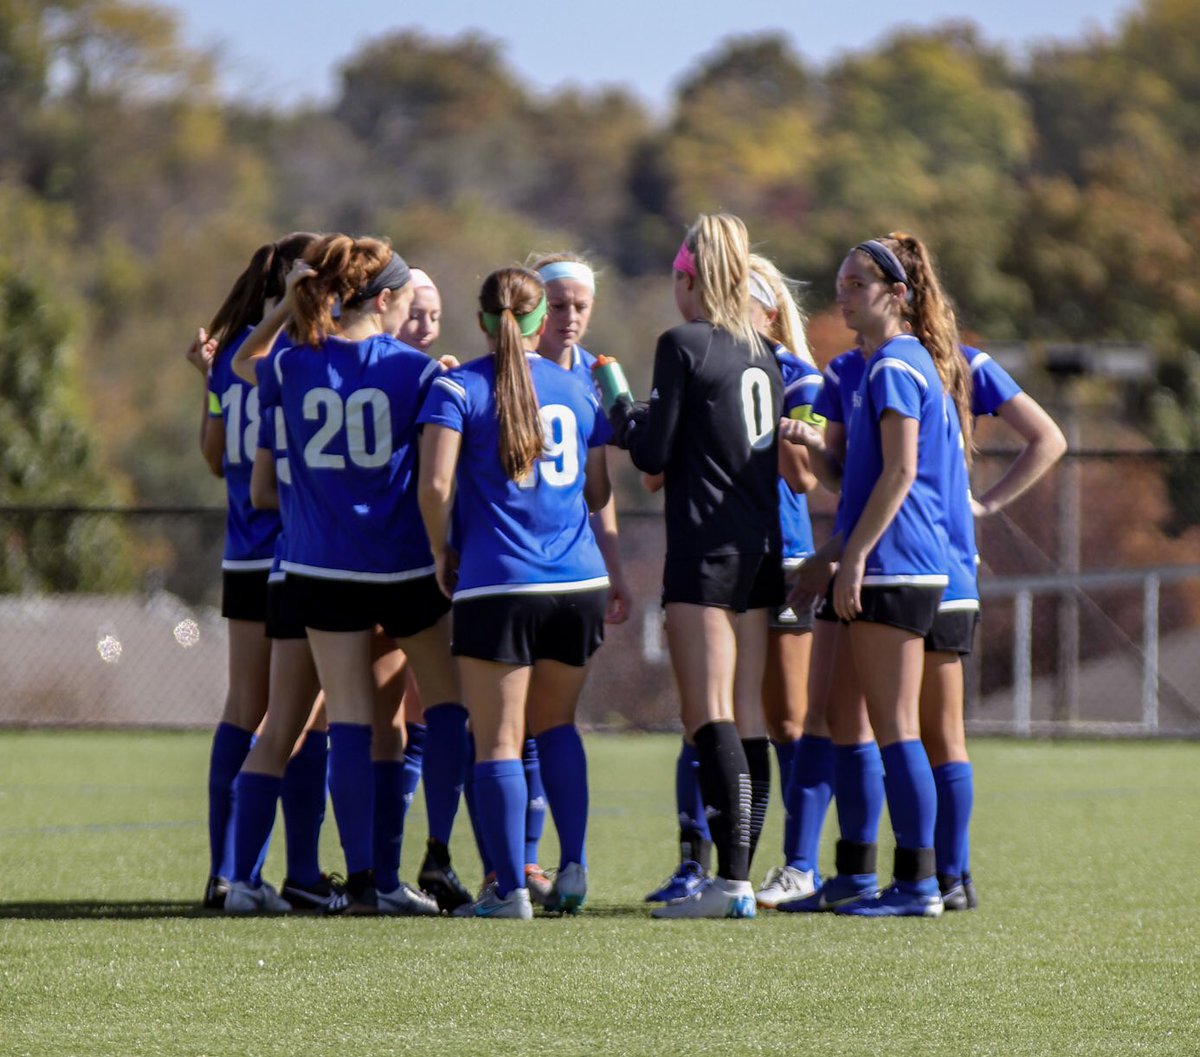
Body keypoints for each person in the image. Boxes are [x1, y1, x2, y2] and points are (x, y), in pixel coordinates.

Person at [229, 234, 461, 914]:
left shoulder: (293, 364)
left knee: (351, 721)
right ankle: (418, 865)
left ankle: (361, 880)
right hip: (400, 564)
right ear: (385, 299)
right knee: (448, 710)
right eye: (405, 302)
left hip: (317, 566)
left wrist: (289, 305)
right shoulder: (416, 373)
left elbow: (244, 362)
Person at [779, 235, 970, 917]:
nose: (844, 292)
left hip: (896, 563)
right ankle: (858, 875)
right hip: (889, 558)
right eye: (841, 281)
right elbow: (858, 478)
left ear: (896, 294)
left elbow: (901, 472)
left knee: (895, 728)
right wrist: (832, 546)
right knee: (845, 715)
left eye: (858, 282)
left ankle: (918, 883)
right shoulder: (889, 365)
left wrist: (852, 555)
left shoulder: (895, 365)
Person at [418, 266, 612, 920]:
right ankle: (575, 863)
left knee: (498, 740)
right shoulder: (579, 386)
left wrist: (441, 548)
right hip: (578, 581)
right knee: (557, 726)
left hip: (500, 580)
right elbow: (599, 490)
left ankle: (509, 890)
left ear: (480, 320)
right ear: (538, 321)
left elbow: (436, 486)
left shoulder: (458, 385)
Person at [609, 213, 784, 919]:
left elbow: (653, 454)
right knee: (747, 714)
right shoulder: (763, 351)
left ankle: (732, 881)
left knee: (704, 712)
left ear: (688, 279)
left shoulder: (681, 343)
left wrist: (621, 411)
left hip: (704, 547)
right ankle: (738, 877)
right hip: (759, 547)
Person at [183, 231, 330, 910]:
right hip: (297, 552)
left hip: (242, 551)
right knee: (309, 716)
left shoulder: (228, 362)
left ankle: (225, 868)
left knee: (246, 710)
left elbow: (215, 459)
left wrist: (208, 385)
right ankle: (299, 870)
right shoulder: (304, 355)